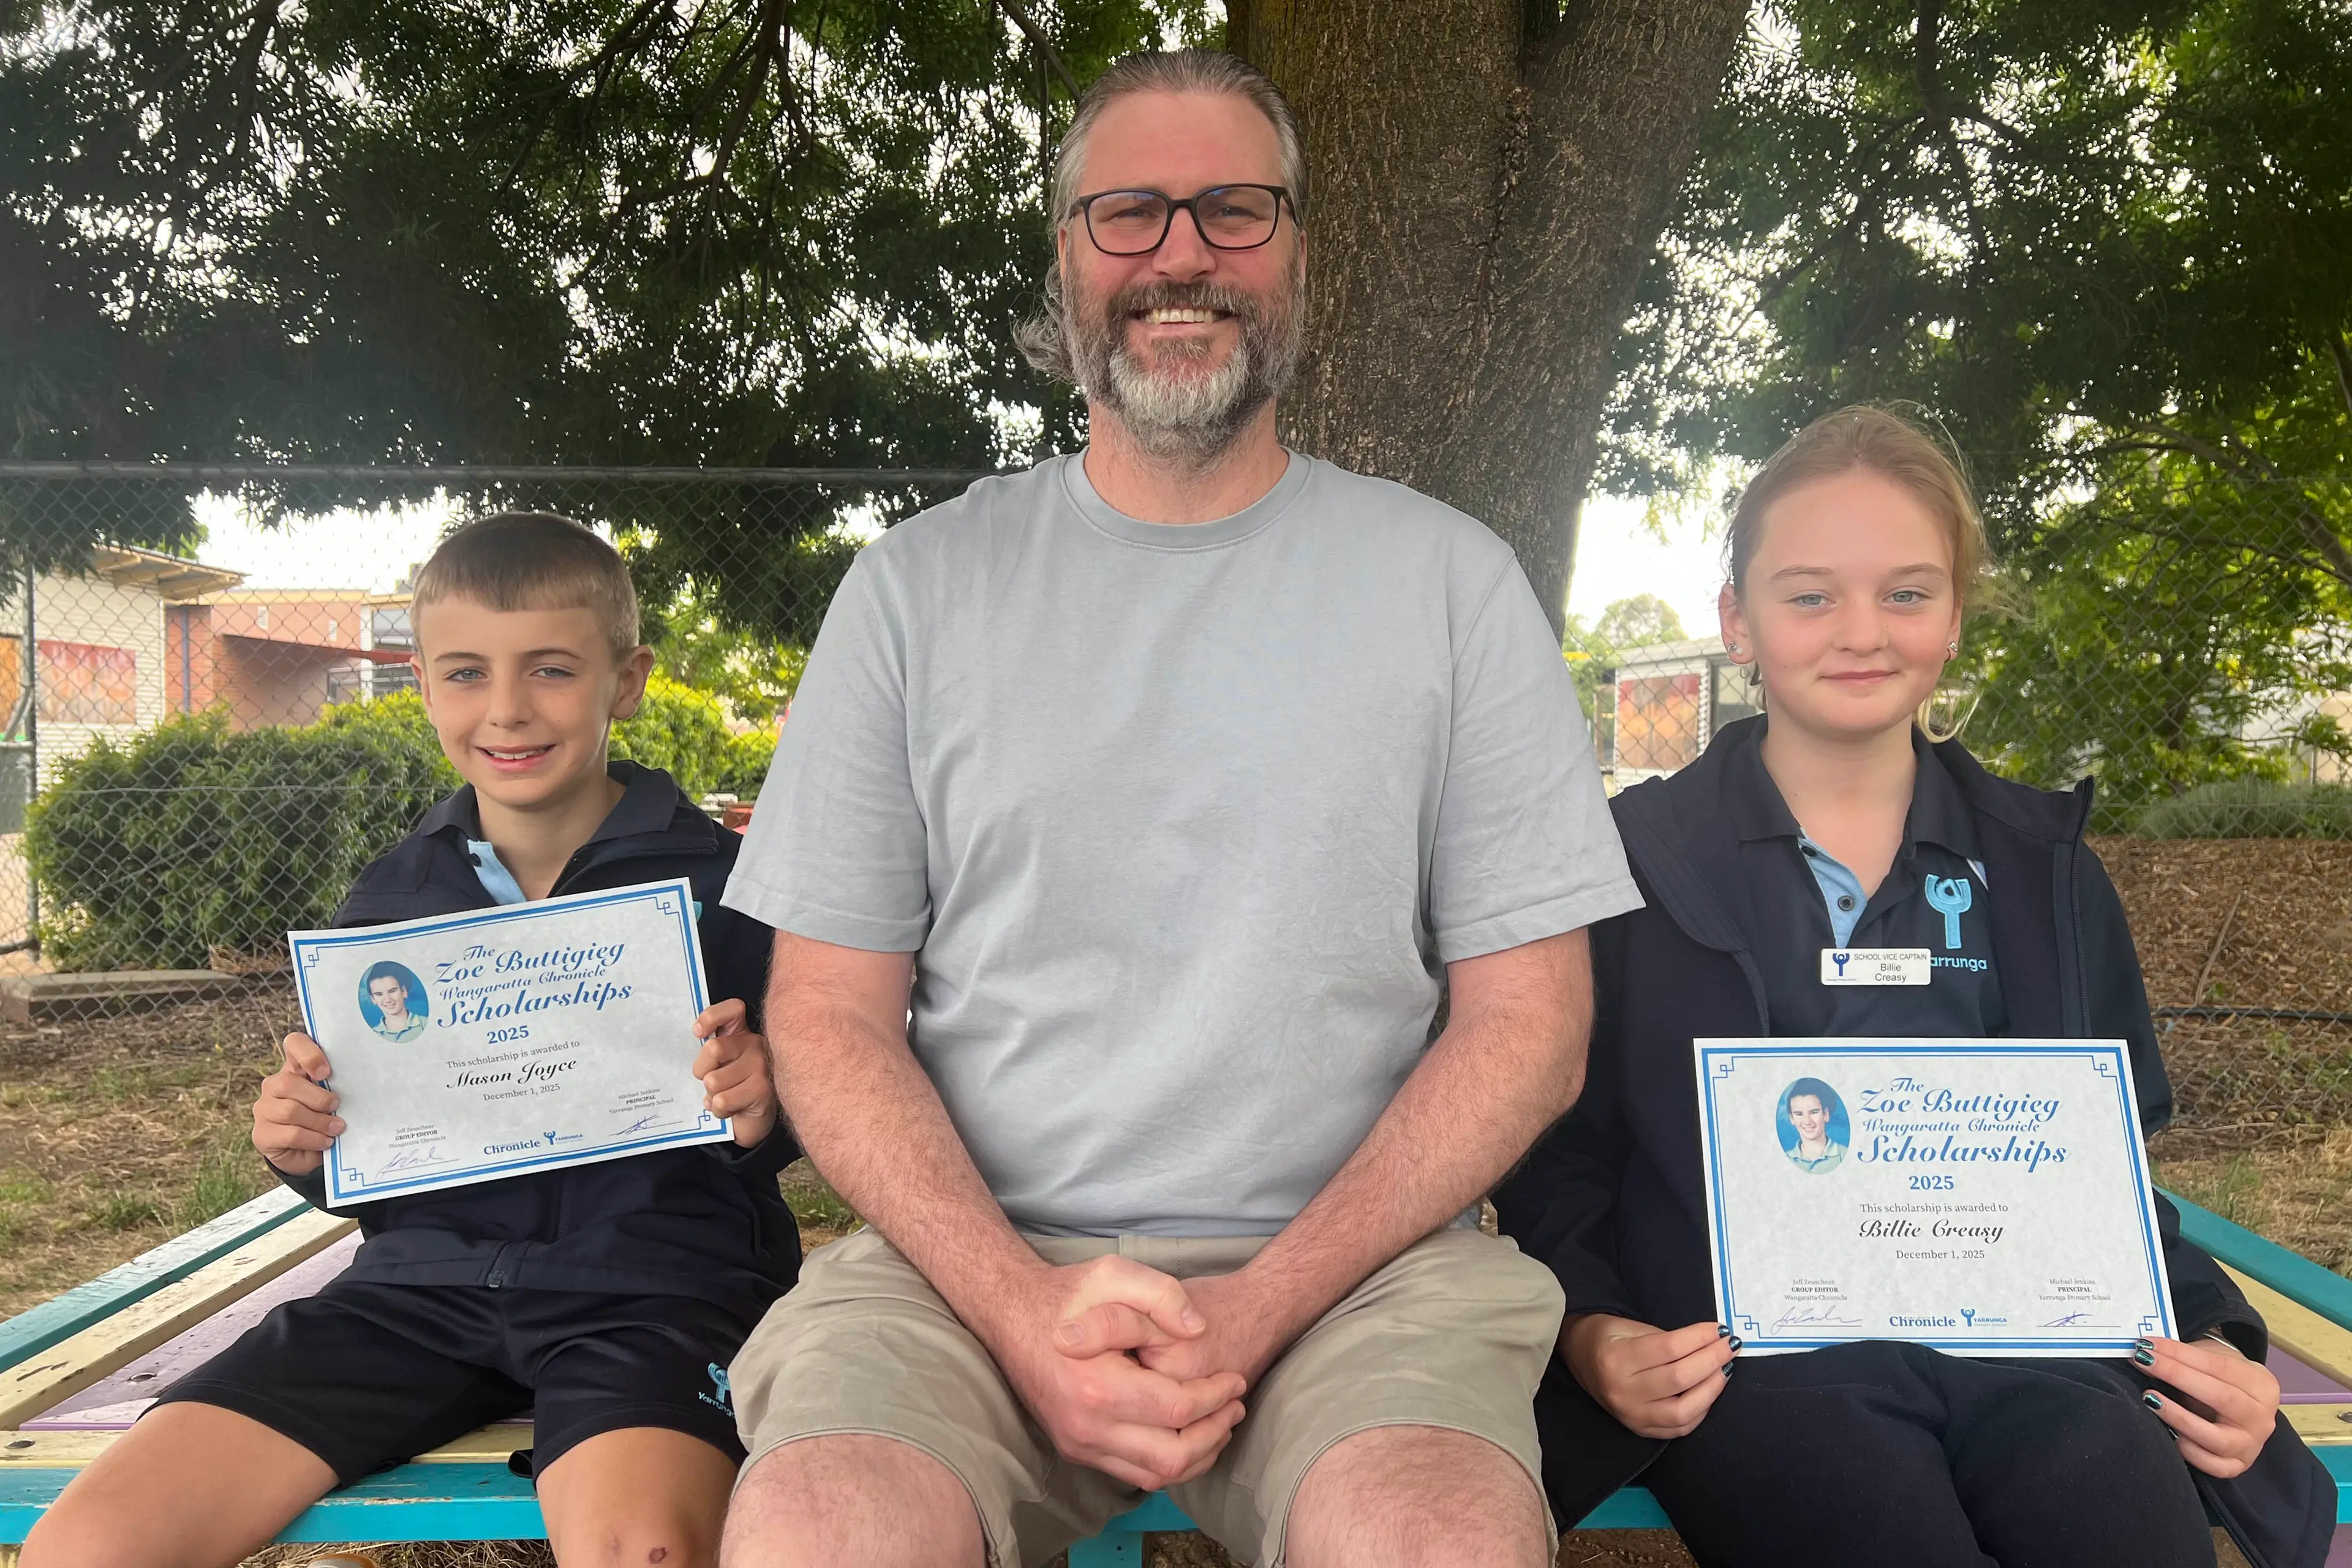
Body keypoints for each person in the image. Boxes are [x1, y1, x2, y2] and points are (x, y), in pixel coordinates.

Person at [716, 48, 1642, 1568]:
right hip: (971, 1266)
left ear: (1295, 255)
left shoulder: (1451, 584)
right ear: (1067, 258)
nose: (1180, 255)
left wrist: (1253, 1305)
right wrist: (1021, 1307)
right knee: (821, 1531)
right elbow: (826, 1014)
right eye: (1126, 214)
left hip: (1363, 1273)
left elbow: (1526, 1027)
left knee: (1436, 1542)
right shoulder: (912, 592)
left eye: (1233, 209)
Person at [1492, 405, 2334, 1568]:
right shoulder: (1630, 862)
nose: (1859, 632)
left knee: (2122, 1518)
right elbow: (1560, 1152)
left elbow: (2104, 1153)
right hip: (1762, 1369)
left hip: (2031, 1350)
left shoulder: (2043, 867)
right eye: (1808, 595)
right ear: (1738, 620)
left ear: (1953, 616)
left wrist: (2217, 1338)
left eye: (1906, 592)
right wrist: (1592, 1331)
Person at [24, 513, 799, 1568]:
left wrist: (769, 1103)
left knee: (643, 1551)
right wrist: (306, 1147)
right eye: (467, 673)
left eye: (553, 670)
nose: (509, 709)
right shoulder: (391, 901)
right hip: (417, 1294)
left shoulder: (733, 889)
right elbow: (383, 1162)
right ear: (425, 686)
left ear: (627, 681)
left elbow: (815, 1106)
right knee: (92, 1545)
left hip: (655, 1292)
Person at [1780, 1078, 1842, 1173]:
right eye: (1799, 1114)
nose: (1807, 1121)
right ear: (1792, 1118)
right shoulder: (1783, 1160)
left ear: (1826, 1114)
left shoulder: (1844, 1154)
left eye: (1814, 1113)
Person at [363, 962, 426, 1042]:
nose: (388, 1000)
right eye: (379, 994)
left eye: (392, 991)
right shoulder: (371, 1036)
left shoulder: (425, 1024)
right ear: (373, 999)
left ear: (404, 992)